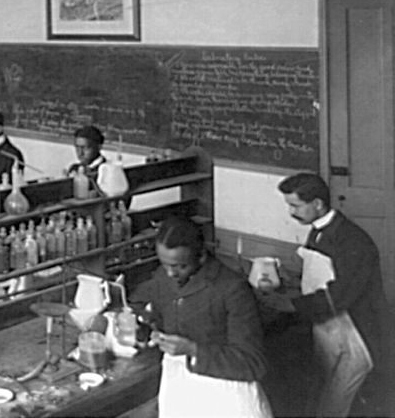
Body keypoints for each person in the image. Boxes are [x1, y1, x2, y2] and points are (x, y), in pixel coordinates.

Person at [133, 215, 272, 418]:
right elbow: (146, 306)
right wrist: (143, 325)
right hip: (180, 388)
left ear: (201, 256)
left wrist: (193, 349)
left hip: (225, 393)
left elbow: (253, 363)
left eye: (180, 266)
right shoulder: (163, 277)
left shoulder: (232, 288)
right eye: (165, 264)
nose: (170, 273)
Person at [274, 173, 385, 418]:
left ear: (317, 204)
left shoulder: (353, 241)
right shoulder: (317, 232)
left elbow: (341, 295)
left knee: (334, 404)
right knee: (319, 390)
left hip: (355, 332)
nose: (291, 212)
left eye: (295, 206)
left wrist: (290, 304)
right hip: (326, 327)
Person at [67, 125, 129, 198]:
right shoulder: (74, 168)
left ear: (99, 147)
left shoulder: (108, 171)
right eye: (77, 148)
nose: (80, 153)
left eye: (85, 148)